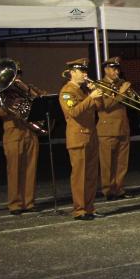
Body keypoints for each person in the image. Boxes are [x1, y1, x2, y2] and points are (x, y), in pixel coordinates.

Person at [0, 61, 43, 215]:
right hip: (13, 133)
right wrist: (9, 107)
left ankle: (29, 202)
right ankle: (15, 204)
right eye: (14, 74)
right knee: (14, 170)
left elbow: (42, 98)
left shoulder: (27, 88)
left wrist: (26, 90)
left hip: (30, 132)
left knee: (30, 169)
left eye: (18, 73)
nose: (17, 77)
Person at [59, 59, 104, 220]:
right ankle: (80, 209)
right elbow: (74, 112)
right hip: (78, 137)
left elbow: (100, 107)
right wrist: (91, 97)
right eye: (81, 71)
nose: (85, 74)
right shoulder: (67, 91)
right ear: (72, 73)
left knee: (91, 175)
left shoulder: (83, 91)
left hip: (91, 135)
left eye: (85, 71)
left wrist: (95, 94)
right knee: (80, 176)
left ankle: (89, 207)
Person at [96, 57, 133, 201]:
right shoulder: (100, 85)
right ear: (106, 70)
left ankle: (119, 188)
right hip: (108, 129)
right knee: (107, 163)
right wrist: (122, 93)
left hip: (123, 127)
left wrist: (128, 94)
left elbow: (129, 103)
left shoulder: (120, 84)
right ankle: (108, 190)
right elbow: (106, 106)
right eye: (113, 69)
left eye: (117, 69)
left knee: (122, 162)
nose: (116, 72)